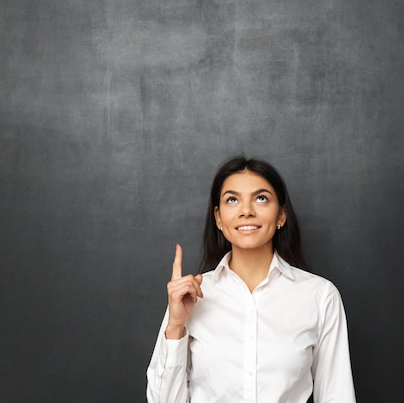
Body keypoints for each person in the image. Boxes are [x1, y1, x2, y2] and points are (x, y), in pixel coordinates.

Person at [146, 156, 357, 402]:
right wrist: (175, 326)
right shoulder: (190, 298)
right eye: (232, 200)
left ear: (281, 216)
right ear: (218, 218)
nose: (246, 211)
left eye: (261, 198)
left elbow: (337, 395)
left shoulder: (319, 296)